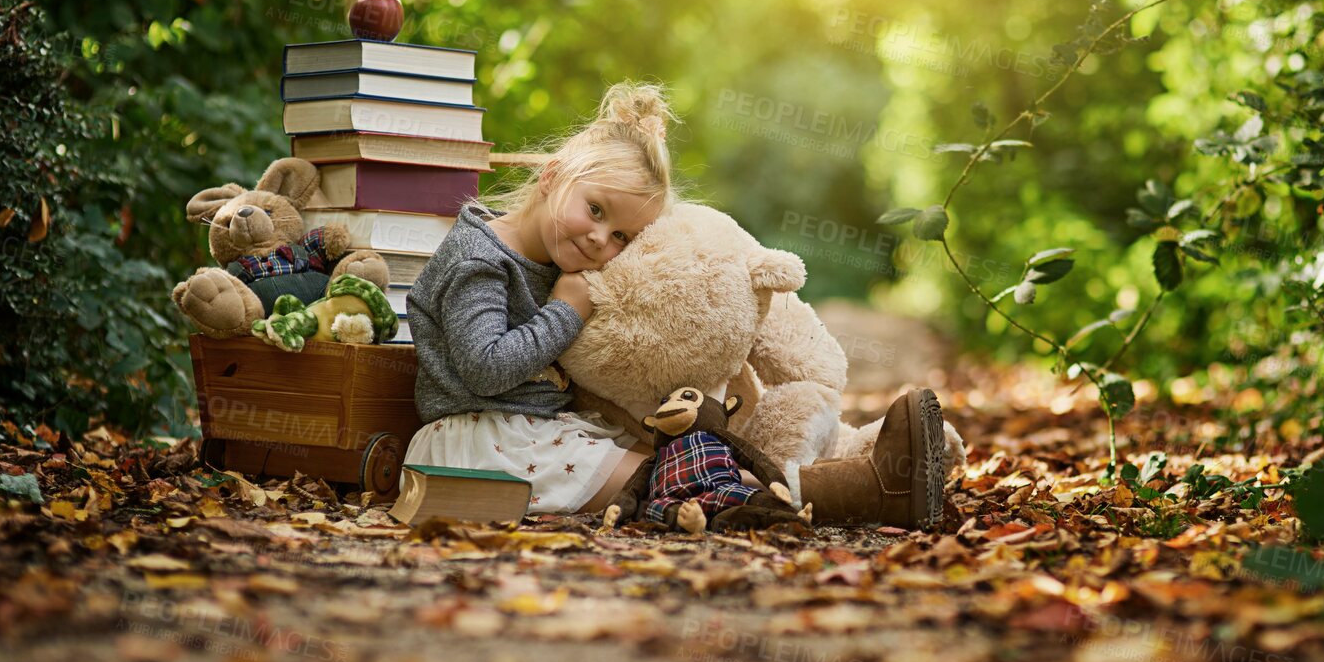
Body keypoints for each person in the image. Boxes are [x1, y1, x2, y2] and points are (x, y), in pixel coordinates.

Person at [404, 80, 946, 527]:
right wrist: (567, 311)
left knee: (687, 456)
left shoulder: (557, 258)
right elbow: (484, 368)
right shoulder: (480, 258)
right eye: (595, 210)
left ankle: (856, 472)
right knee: (674, 473)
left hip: (539, 430)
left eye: (620, 237)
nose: (600, 240)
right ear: (552, 177)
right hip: (479, 439)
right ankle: (862, 493)